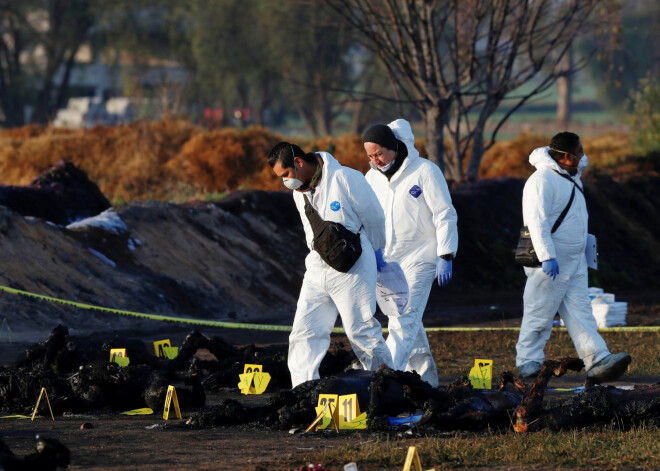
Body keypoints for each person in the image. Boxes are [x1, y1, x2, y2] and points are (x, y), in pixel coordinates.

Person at [267, 142, 393, 388]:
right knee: (304, 333)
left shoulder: (346, 178)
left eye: (285, 175)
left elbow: (375, 218)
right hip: (318, 267)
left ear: (299, 163)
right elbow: (309, 234)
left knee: (361, 331)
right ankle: (304, 394)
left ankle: (389, 387)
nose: (285, 182)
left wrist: (378, 253)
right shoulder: (298, 193)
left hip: (353, 266)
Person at [516, 132, 631, 381]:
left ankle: (597, 358)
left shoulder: (570, 174)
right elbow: (536, 223)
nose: (583, 156)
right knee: (539, 312)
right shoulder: (541, 180)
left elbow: (582, 161)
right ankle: (528, 361)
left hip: (575, 261)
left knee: (582, 312)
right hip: (551, 263)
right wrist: (547, 256)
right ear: (567, 157)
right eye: (579, 152)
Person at [362, 119, 458, 387]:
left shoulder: (425, 171)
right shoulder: (371, 179)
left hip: (422, 258)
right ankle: (427, 382)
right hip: (388, 262)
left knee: (403, 321)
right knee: (405, 321)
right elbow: (368, 219)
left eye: (379, 153)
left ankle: (383, 382)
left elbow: (444, 214)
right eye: (370, 156)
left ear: (394, 147)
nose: (375, 160)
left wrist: (446, 254)